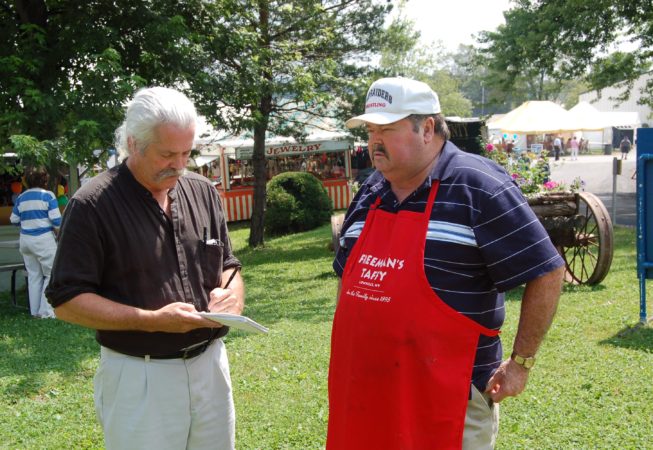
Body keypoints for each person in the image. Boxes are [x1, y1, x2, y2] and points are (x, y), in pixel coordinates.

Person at [328, 77, 564, 449]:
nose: (373, 142)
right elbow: (347, 279)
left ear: (427, 128)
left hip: (448, 402)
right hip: (366, 394)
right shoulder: (369, 193)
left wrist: (521, 363)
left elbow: (547, 269)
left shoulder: (479, 187)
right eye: (371, 131)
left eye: (386, 129)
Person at [45, 87, 244, 450]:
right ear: (133, 144)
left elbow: (229, 265)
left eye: (186, 153)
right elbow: (66, 301)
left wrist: (232, 298)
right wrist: (152, 320)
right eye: (168, 154)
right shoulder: (92, 205)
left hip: (211, 367)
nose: (180, 165)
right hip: (141, 375)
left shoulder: (203, 191)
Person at [10, 167, 60, 318]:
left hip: (26, 240)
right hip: (43, 239)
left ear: (26, 180)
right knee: (51, 274)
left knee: (34, 276)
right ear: (45, 180)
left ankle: (34, 311)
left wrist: (27, 225)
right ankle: (46, 312)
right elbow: (57, 221)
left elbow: (14, 219)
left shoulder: (21, 197)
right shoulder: (48, 196)